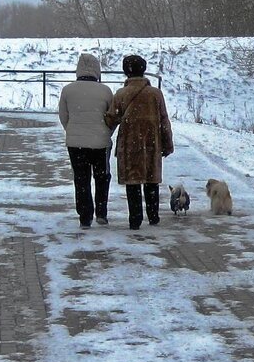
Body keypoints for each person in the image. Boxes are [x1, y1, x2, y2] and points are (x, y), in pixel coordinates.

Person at [105, 54, 174, 229]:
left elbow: (111, 119)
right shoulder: (155, 94)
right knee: (151, 181)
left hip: (129, 145)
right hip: (152, 144)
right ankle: (153, 216)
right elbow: (164, 121)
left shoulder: (121, 94)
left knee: (133, 183)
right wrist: (167, 144)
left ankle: (135, 219)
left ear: (125, 72)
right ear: (143, 70)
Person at [58, 52, 113, 228]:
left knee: (81, 179)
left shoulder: (67, 90)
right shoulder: (105, 91)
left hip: (76, 143)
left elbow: (63, 116)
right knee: (102, 177)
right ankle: (101, 212)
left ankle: (85, 215)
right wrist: (106, 132)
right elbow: (112, 117)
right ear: (97, 70)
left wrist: (73, 130)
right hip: (100, 143)